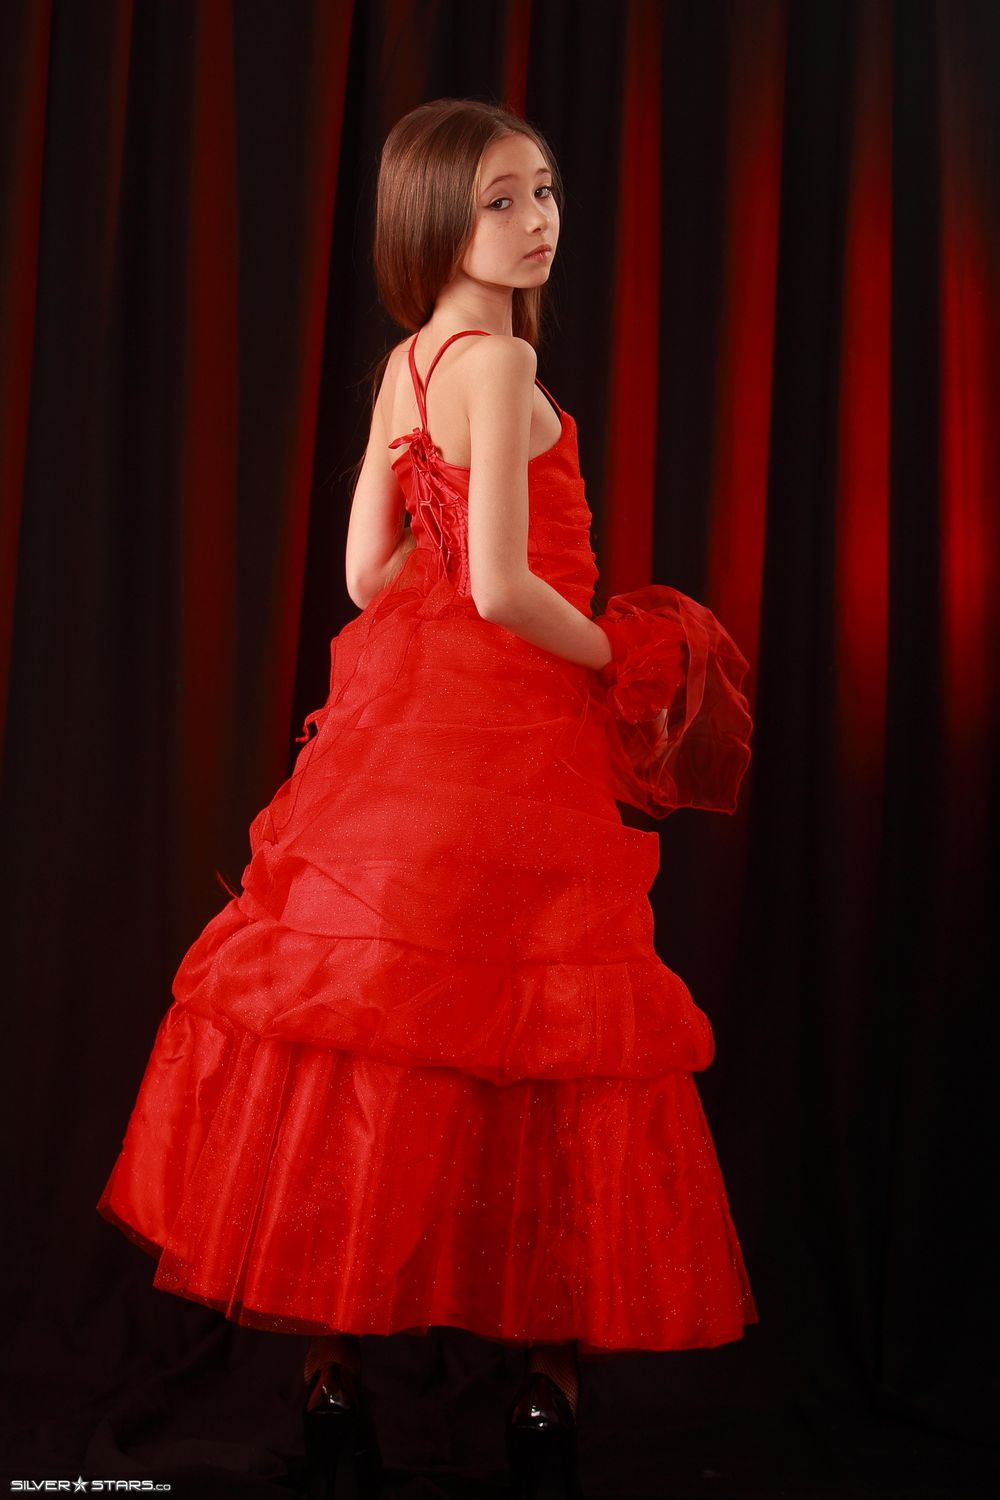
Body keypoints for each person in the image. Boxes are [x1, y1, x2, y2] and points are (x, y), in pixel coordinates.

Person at [96, 97, 757, 1499]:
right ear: (435, 222)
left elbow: (364, 577)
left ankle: (333, 1374)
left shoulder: (409, 364)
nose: (538, 220)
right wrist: (625, 657)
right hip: (512, 736)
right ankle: (544, 1389)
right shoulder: (503, 364)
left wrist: (445, 594)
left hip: (404, 734)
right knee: (542, 1036)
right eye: (500, 201)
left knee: (382, 1030)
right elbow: (508, 587)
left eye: (544, 189)